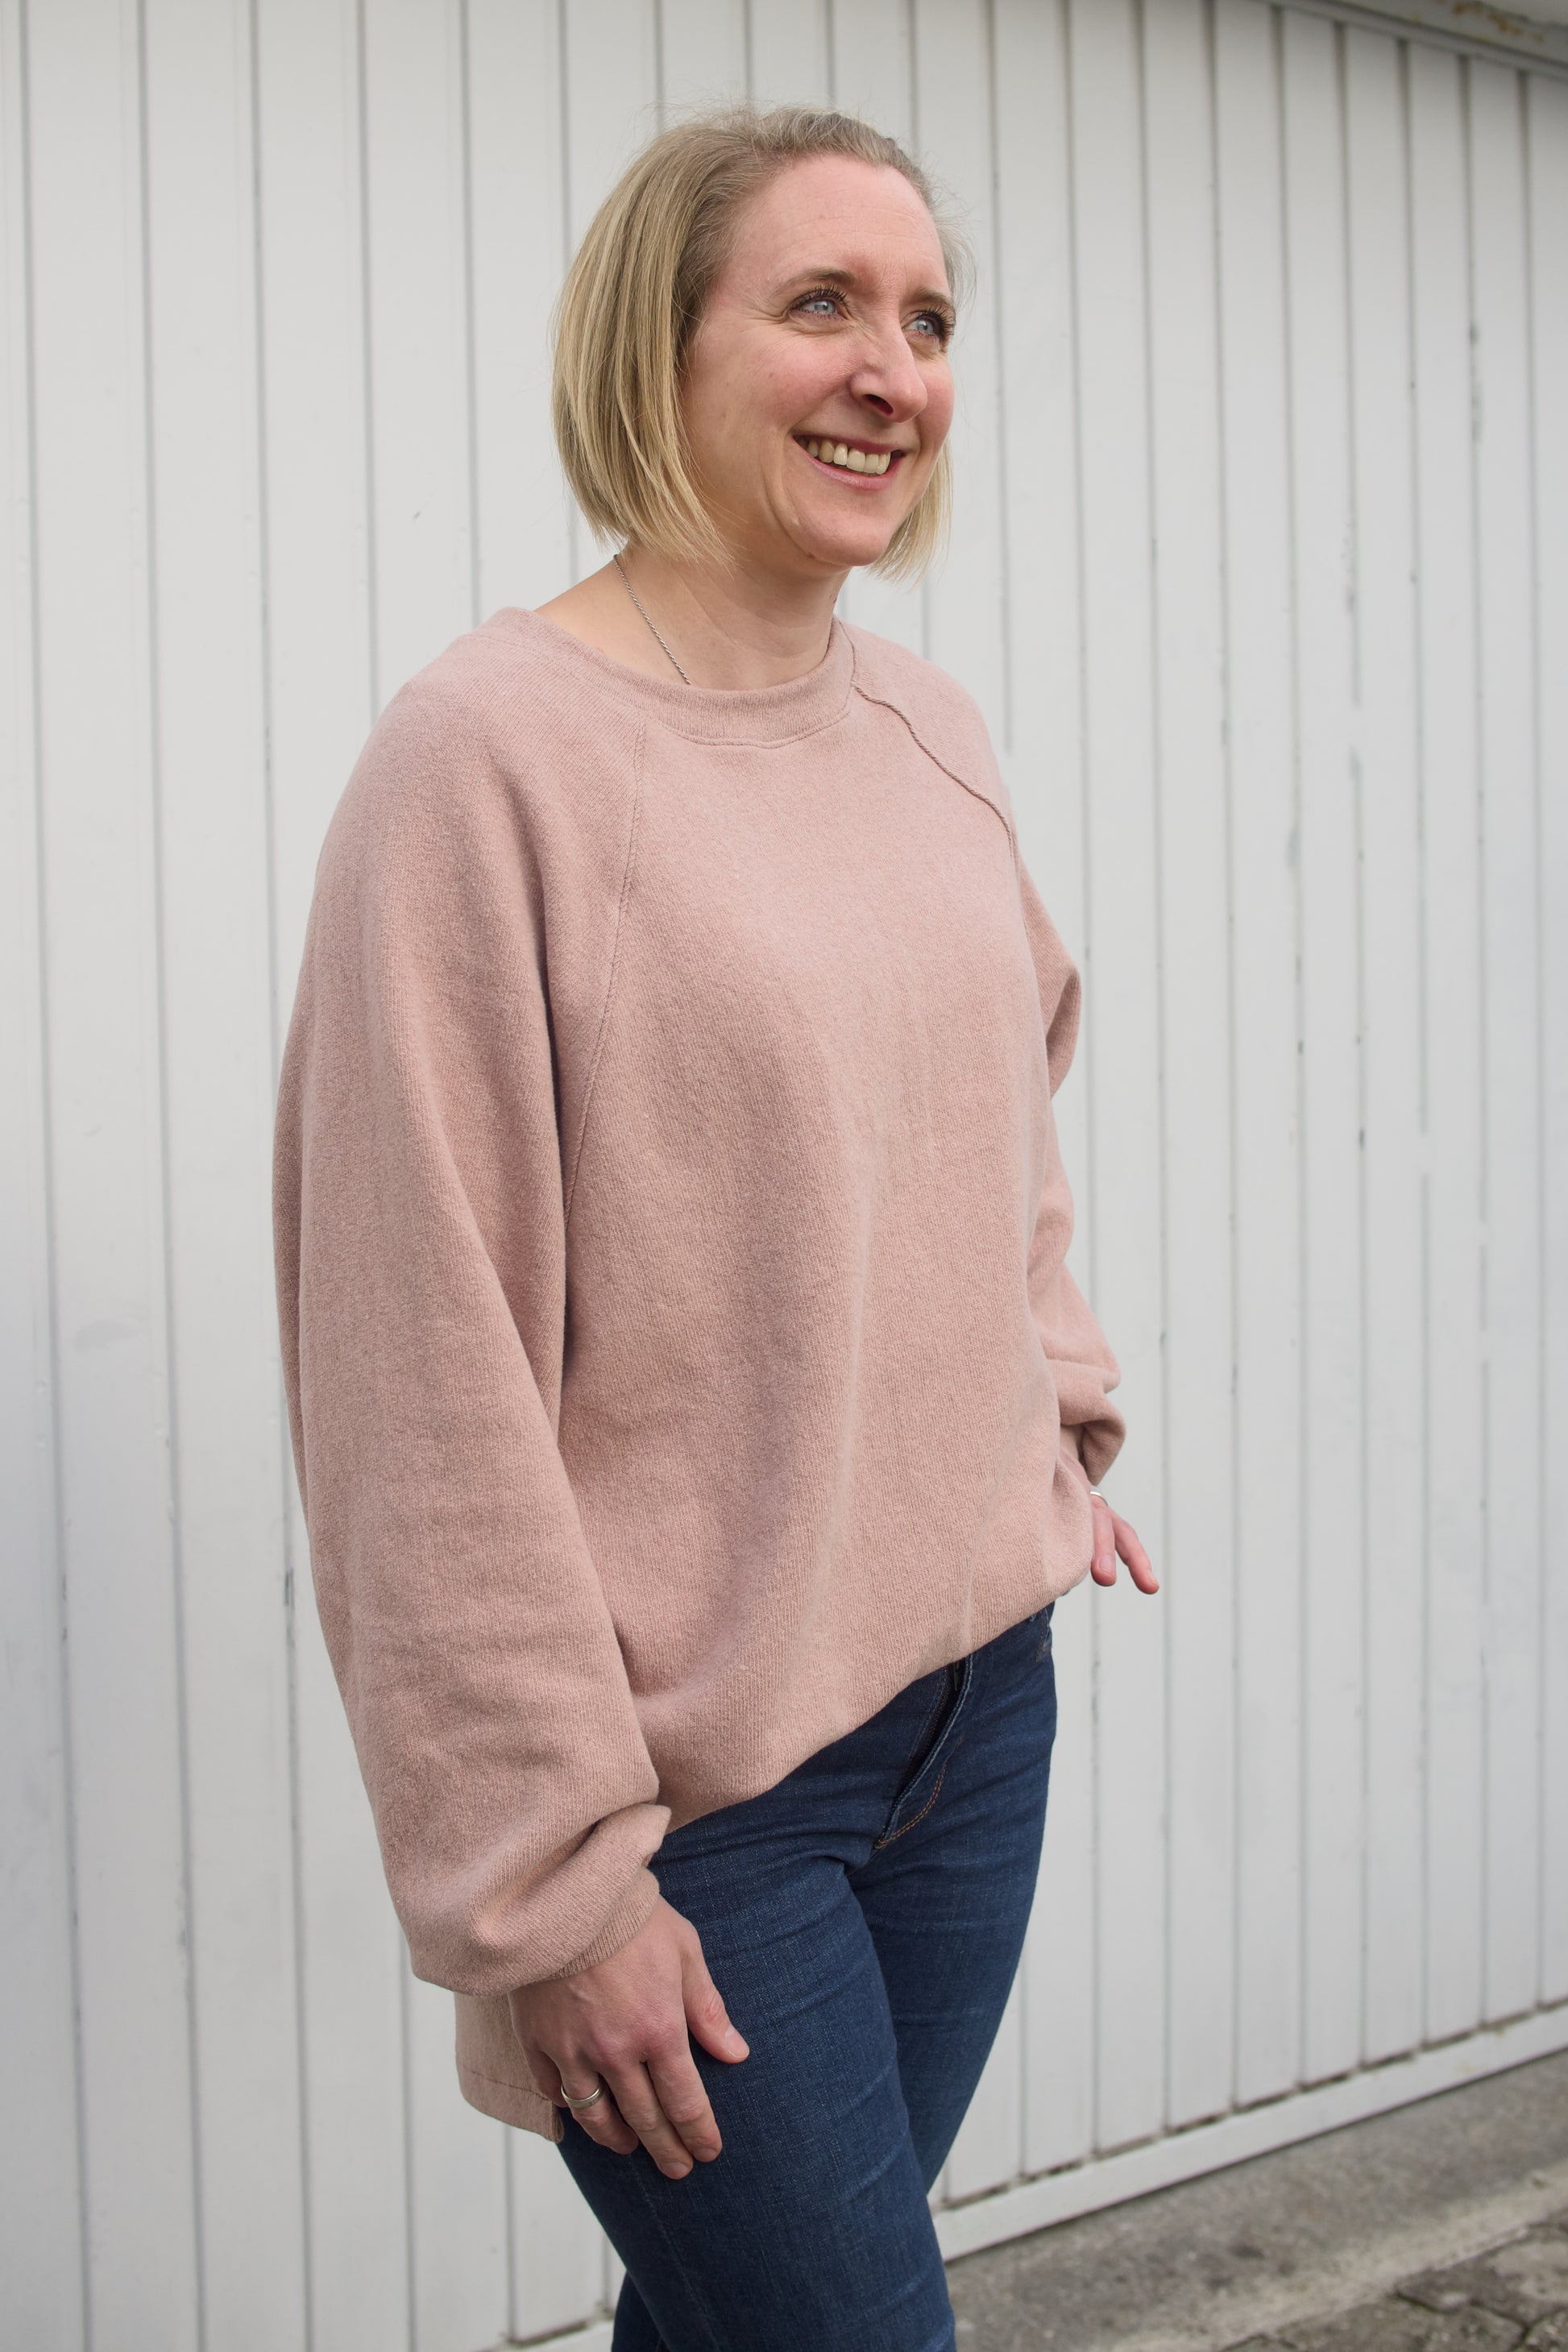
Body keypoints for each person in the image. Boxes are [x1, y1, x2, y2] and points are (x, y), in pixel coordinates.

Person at [273, 103, 1156, 2352]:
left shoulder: (929, 730)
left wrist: (1051, 1409)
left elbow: (997, 1117)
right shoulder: (484, 762)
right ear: (653, 347)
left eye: (927, 321)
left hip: (976, 1721)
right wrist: (552, 1893)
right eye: (820, 304)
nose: (892, 370)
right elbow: (412, 1369)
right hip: (695, 1803)